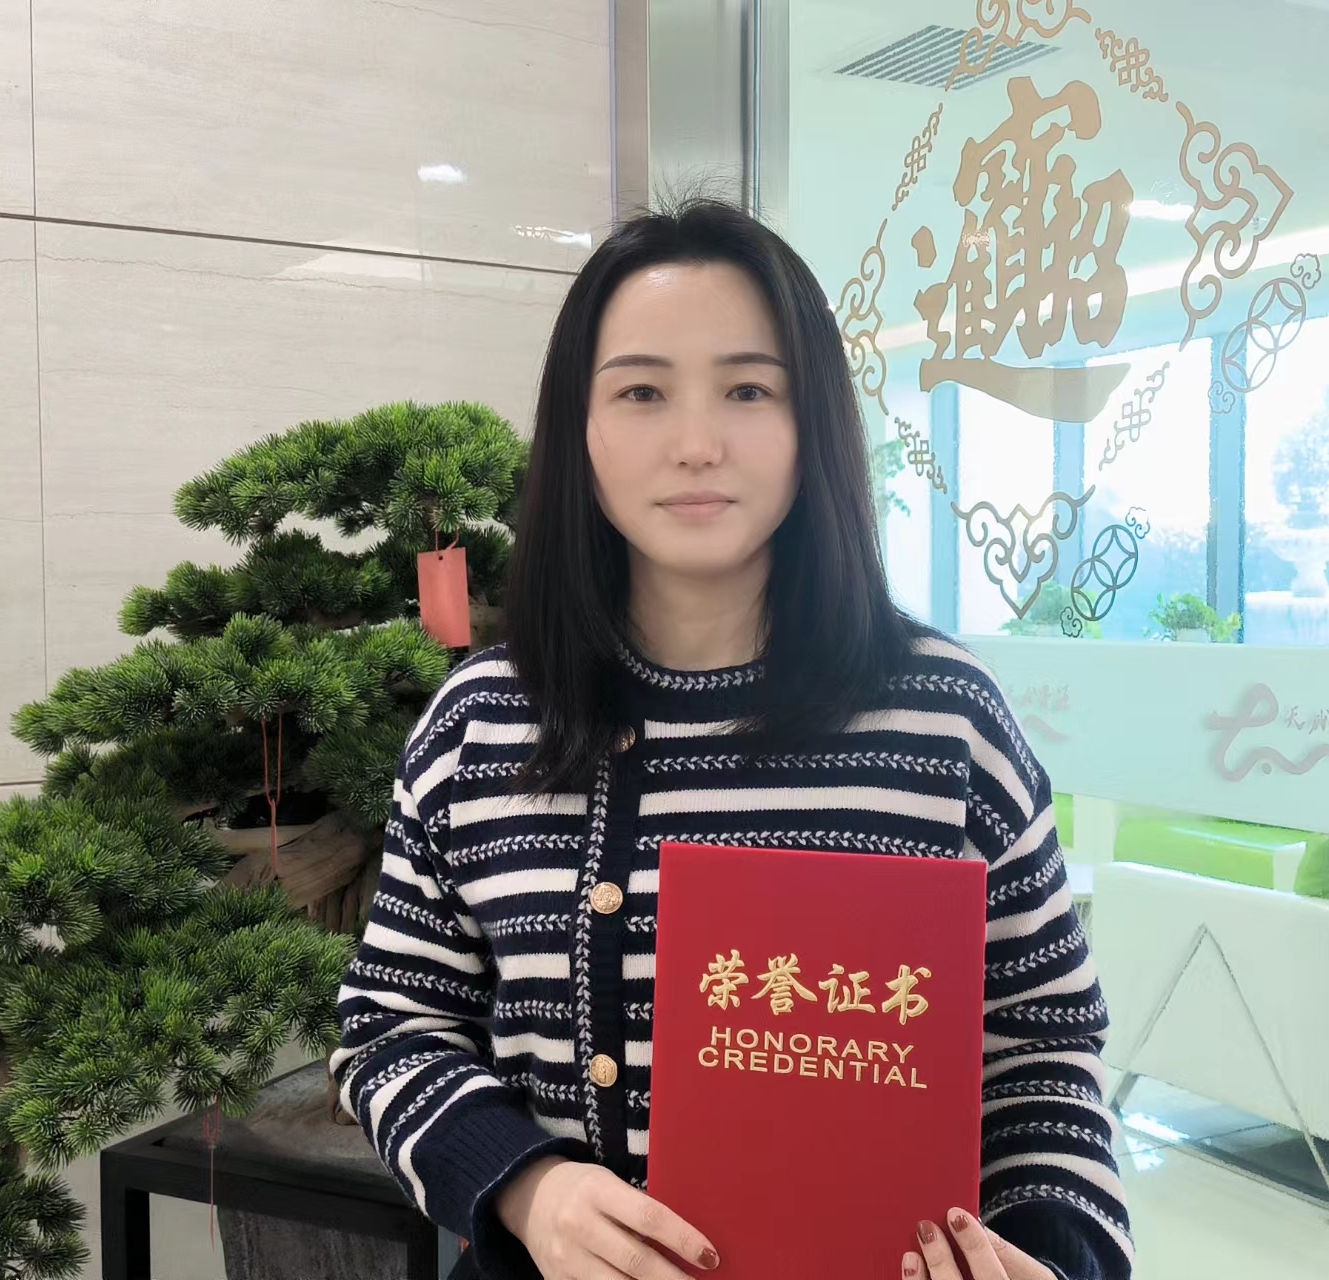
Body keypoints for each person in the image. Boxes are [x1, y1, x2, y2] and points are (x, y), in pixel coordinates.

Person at [330, 199, 1129, 1280]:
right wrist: (529, 1186)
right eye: (642, 392)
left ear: (812, 425)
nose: (696, 444)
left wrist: (1052, 1256)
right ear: (579, 427)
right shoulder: (479, 724)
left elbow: (1042, 1047)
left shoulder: (944, 719)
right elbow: (390, 1026)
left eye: (749, 389)